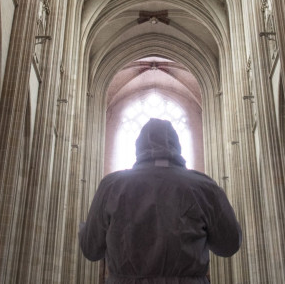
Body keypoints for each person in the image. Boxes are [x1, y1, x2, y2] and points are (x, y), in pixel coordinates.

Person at [79, 118, 241, 283]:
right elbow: (229, 245)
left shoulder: (112, 185)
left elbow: (91, 250)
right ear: (177, 146)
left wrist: (84, 228)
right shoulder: (204, 186)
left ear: (138, 148)